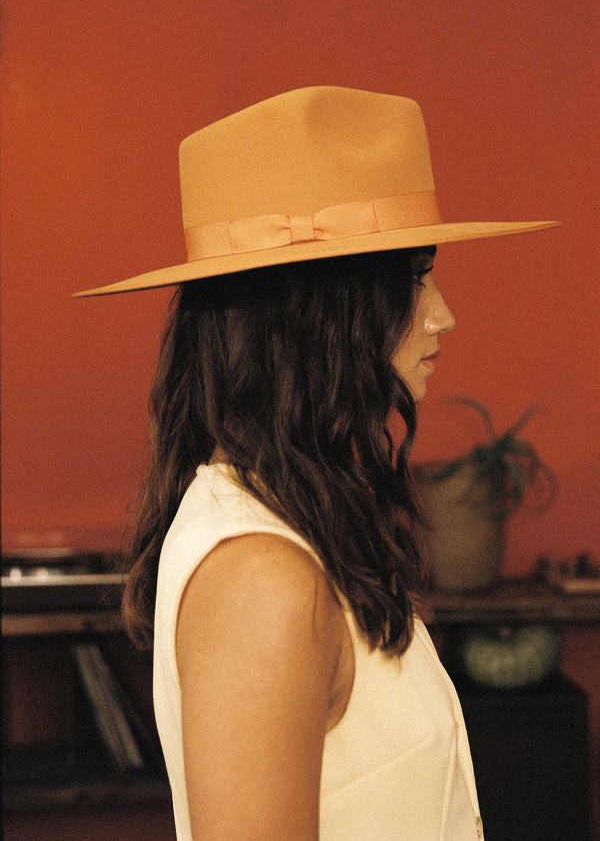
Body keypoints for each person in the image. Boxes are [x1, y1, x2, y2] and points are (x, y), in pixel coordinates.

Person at [75, 86, 559, 840]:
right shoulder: (259, 576)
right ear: (320, 311)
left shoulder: (295, 521)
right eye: (414, 276)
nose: (443, 314)